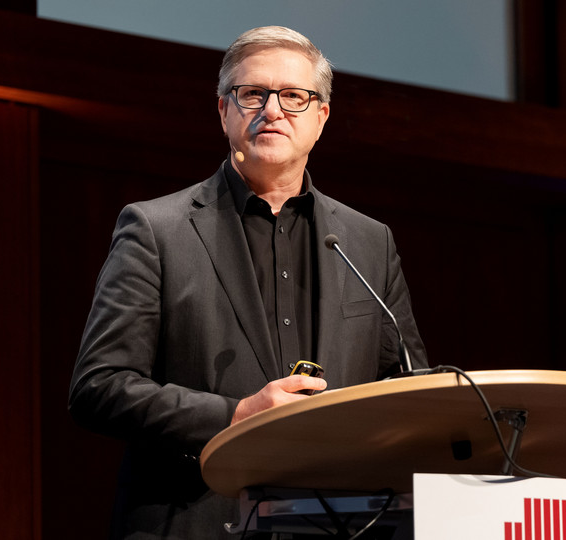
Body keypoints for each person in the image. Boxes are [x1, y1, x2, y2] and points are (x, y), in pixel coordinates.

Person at [69, 26, 427, 539]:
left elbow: (408, 386)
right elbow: (99, 387)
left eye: (294, 96)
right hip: (198, 520)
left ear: (321, 117)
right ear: (224, 111)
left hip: (344, 523)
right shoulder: (157, 230)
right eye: (252, 93)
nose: (272, 110)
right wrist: (235, 414)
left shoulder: (368, 243)